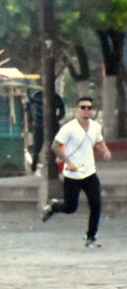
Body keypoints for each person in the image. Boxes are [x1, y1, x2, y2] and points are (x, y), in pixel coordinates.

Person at [41, 96, 112, 247]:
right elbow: (55, 146)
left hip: (90, 172)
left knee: (96, 204)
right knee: (70, 207)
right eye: (83, 108)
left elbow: (99, 140)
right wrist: (68, 162)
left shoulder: (95, 126)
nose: (86, 111)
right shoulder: (69, 128)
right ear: (78, 110)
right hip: (72, 174)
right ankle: (54, 206)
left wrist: (104, 150)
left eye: (89, 108)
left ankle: (91, 236)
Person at [27, 90, 65, 173]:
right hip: (48, 124)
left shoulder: (36, 96)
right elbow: (62, 110)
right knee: (50, 145)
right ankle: (38, 162)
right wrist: (57, 119)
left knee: (40, 145)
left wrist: (31, 117)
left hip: (42, 124)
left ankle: (37, 161)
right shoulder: (54, 96)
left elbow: (28, 107)